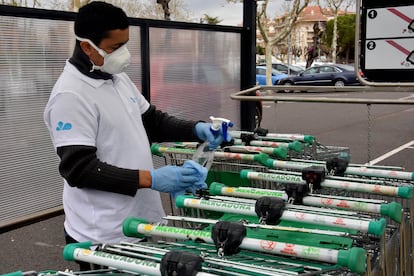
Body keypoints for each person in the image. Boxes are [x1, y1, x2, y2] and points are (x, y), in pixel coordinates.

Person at [43, 1, 230, 269]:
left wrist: (197, 129)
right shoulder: (70, 96)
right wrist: (152, 178)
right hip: (104, 236)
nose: (124, 54)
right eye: (115, 48)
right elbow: (79, 169)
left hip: (141, 221)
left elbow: (152, 121)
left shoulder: (115, 77)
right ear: (86, 47)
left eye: (125, 44)